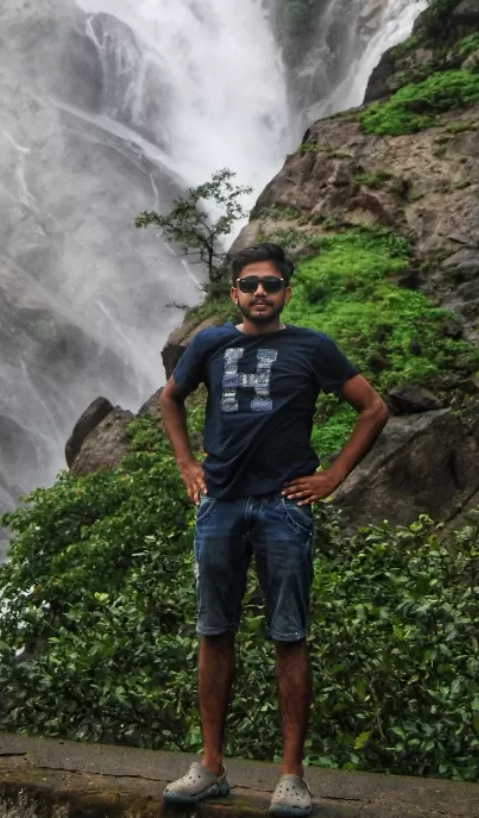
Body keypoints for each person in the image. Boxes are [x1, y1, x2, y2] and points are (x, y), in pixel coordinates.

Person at [159, 242, 389, 815]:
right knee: (215, 630)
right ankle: (210, 766)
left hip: (284, 507)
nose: (261, 292)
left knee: (290, 635)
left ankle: (291, 776)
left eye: (271, 284)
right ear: (234, 292)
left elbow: (374, 408)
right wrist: (187, 464)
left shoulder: (312, 347)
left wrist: (334, 474)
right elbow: (171, 397)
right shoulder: (211, 343)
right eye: (249, 284)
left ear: (287, 290)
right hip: (221, 506)